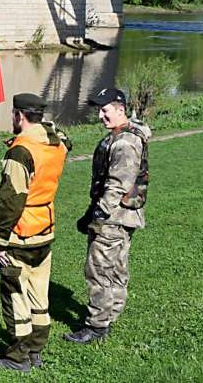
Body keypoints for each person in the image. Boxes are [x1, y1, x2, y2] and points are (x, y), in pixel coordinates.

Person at [0, 94, 70, 373]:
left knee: (15, 295)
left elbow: (11, 200)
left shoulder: (20, 152)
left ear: (18, 115)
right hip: (45, 228)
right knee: (39, 293)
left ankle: (17, 357)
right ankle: (35, 350)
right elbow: (64, 138)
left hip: (21, 232)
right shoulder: (55, 143)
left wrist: (1, 240)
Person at [64, 88, 150, 344]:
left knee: (100, 270)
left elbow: (118, 184)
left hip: (113, 217)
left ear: (120, 110)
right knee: (116, 268)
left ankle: (97, 325)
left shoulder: (125, 143)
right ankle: (110, 315)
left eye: (105, 110)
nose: (100, 115)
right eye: (99, 111)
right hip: (124, 216)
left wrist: (98, 215)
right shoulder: (125, 134)